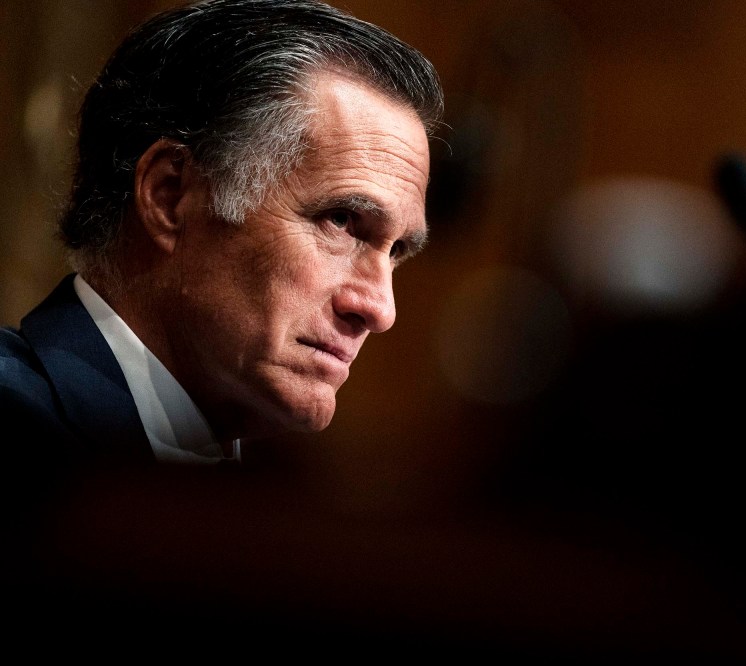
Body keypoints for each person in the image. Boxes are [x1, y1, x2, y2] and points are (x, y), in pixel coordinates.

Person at [0, 0, 444, 472]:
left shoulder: (281, 505)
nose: (379, 310)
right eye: (340, 220)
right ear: (170, 196)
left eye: (396, 250)